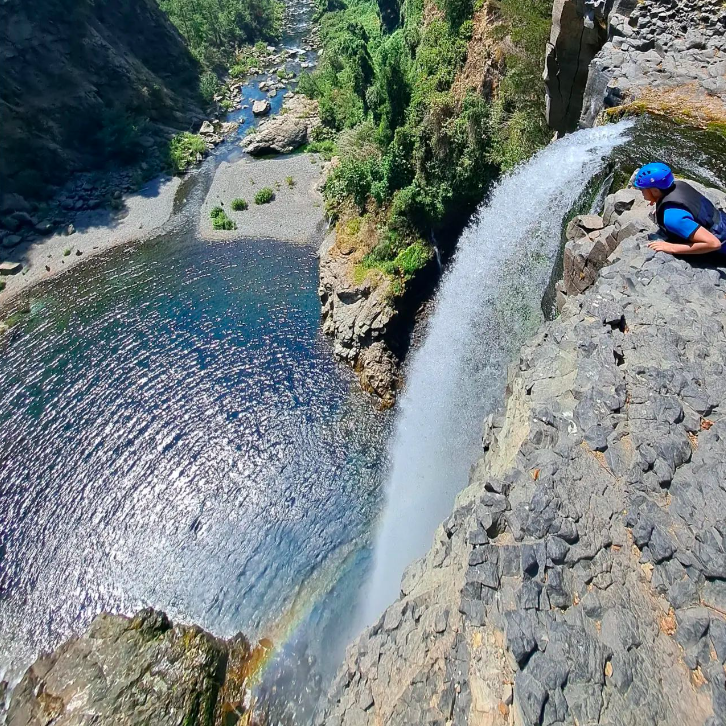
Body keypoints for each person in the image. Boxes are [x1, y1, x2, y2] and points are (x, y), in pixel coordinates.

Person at [632, 162, 726, 256]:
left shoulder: (672, 219)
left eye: (642, 189)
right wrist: (657, 201)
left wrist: (671, 247)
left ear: (655, 190)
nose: (641, 192)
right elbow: (688, 204)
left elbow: (714, 244)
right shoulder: (680, 185)